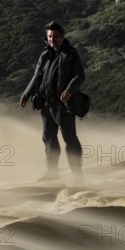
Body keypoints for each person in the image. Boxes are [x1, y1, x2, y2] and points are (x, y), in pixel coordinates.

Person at [20, 21, 86, 181]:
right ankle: (52, 174)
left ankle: (77, 175)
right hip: (45, 104)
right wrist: (26, 94)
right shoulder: (45, 55)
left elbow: (79, 75)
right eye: (50, 36)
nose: (52, 39)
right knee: (48, 138)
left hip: (63, 106)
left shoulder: (70, 54)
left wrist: (69, 90)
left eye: (56, 36)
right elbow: (36, 76)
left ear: (63, 36)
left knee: (70, 139)